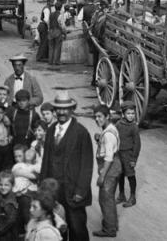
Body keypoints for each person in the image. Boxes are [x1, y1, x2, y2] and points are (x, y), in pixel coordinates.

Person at [40, 91, 94, 241]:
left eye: (65, 109)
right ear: (55, 110)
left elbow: (87, 165)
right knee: (58, 227)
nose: (62, 112)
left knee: (77, 228)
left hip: (73, 190)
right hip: (54, 190)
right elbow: (46, 160)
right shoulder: (51, 130)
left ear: (71, 110)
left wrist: (80, 191)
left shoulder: (81, 132)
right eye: (58, 109)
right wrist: (43, 186)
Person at [92, 105, 121, 238]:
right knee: (108, 198)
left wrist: (102, 176)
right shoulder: (110, 129)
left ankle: (109, 229)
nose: (97, 119)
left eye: (100, 117)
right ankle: (113, 225)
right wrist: (99, 138)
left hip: (109, 168)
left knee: (105, 199)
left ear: (107, 116)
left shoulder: (108, 134)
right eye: (96, 117)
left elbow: (109, 158)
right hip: (113, 167)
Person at [115, 101, 141, 208]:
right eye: (128, 113)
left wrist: (133, 159)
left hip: (128, 155)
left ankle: (132, 196)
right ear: (123, 114)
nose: (131, 116)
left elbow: (137, 144)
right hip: (119, 154)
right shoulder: (118, 124)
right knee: (120, 175)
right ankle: (121, 195)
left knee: (130, 175)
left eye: (133, 113)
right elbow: (114, 137)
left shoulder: (134, 127)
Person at [0, 170, 20, 241]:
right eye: (0, 184)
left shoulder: (10, 202)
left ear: (12, 185)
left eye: (6, 185)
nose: (3, 187)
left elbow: (11, 220)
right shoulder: (2, 197)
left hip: (7, 236)